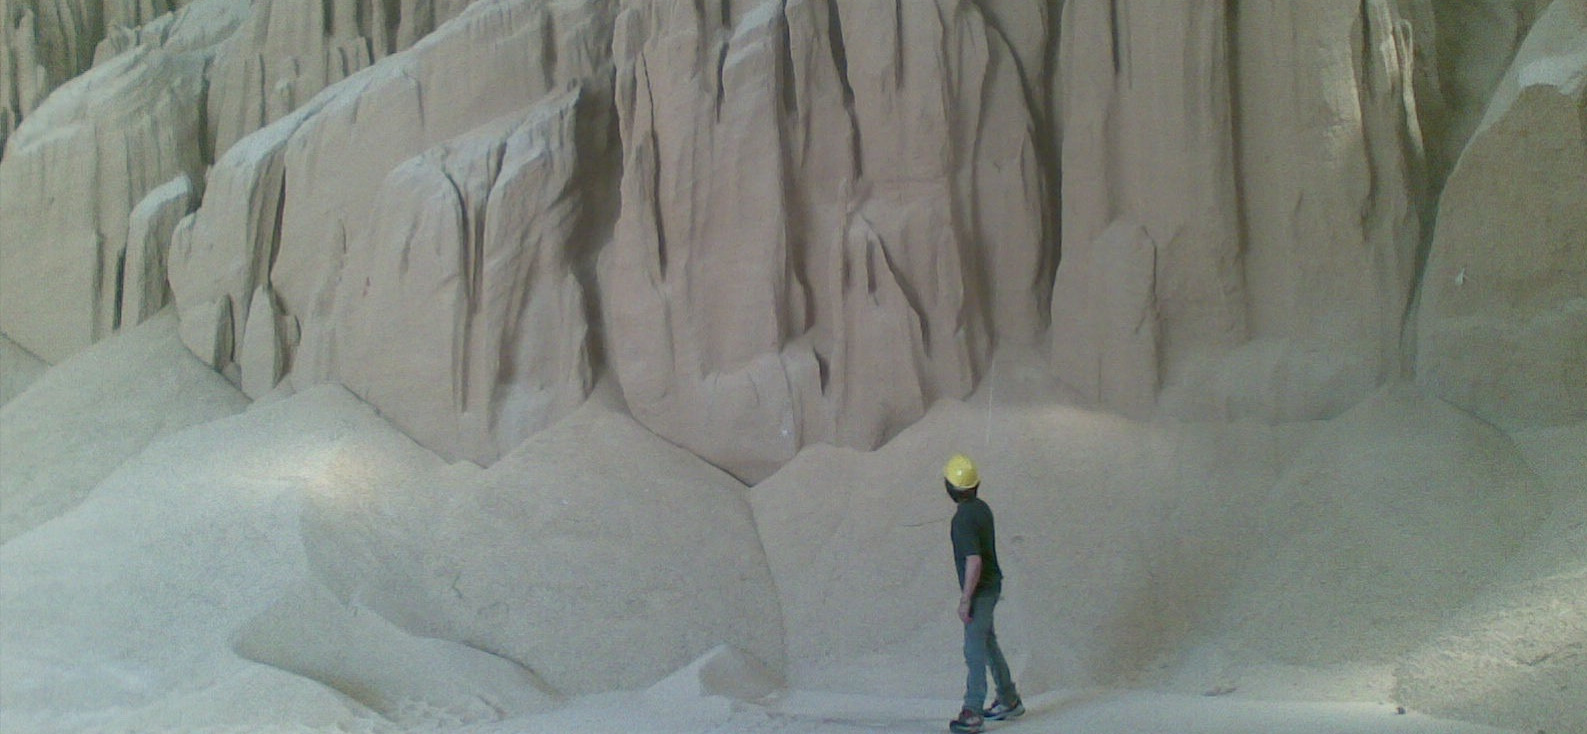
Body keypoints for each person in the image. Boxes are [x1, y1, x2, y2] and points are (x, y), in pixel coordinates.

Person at [943, 453, 1023, 734]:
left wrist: (966, 599)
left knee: (973, 648)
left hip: (980, 592)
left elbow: (974, 561)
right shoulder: (982, 509)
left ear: (950, 488)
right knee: (987, 642)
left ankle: (973, 710)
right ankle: (1009, 698)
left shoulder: (962, 519)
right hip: (991, 586)